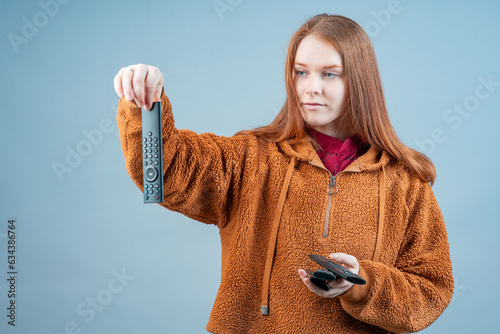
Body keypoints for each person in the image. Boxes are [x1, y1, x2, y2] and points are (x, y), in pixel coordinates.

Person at [114, 13, 454, 334]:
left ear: (360, 81)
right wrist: (146, 103)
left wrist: (360, 284)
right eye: (300, 72)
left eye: (329, 73)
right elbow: (166, 174)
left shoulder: (406, 182)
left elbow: (430, 291)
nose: (310, 87)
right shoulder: (251, 157)